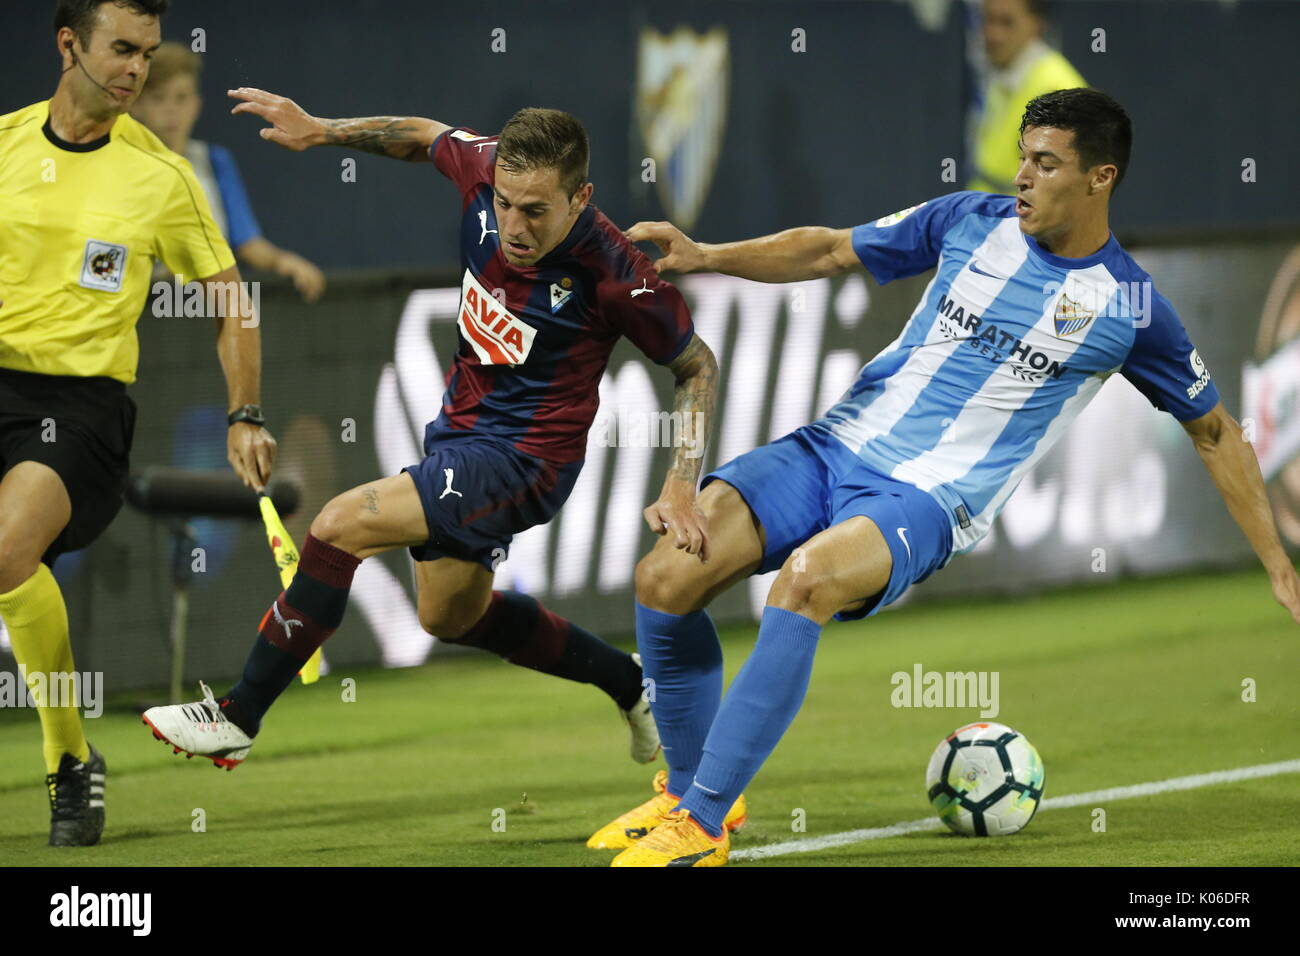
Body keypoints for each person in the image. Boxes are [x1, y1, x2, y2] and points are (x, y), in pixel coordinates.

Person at [597, 88, 1300, 866]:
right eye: (1024, 158)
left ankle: (699, 825)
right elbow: (831, 249)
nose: (1024, 177)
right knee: (665, 577)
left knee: (805, 581)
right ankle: (689, 795)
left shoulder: (1128, 304)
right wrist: (706, 255)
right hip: (834, 447)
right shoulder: (971, 218)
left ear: (1101, 178)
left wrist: (1277, 562)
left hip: (929, 500)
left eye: (1046, 163)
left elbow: (1215, 432)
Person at [141, 93, 720, 771]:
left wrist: (683, 482)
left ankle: (237, 717)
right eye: (504, 202)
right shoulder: (484, 168)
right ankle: (626, 681)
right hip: (458, 437)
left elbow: (696, 365)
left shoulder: (616, 272)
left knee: (337, 524)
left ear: (580, 196)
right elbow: (421, 134)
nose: (513, 224)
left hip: (526, 461)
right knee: (448, 617)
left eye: (535, 210)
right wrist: (322, 129)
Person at [0, 0, 276, 847]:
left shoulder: (161, 176)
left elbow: (232, 301)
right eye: (121, 49)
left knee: (8, 548)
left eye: (148, 54)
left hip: (77, 409)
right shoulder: (6, 145)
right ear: (68, 43)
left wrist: (244, 414)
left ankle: (66, 760)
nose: (135, 71)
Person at [130, 42, 326, 301]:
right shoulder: (125, 164)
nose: (171, 110)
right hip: (143, 307)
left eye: (181, 98)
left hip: (205, 307)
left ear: (196, 105)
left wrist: (283, 261)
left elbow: (247, 242)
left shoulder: (215, 161)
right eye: (158, 98)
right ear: (136, 105)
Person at [968, 0, 1085, 194]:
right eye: (988, 20)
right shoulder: (1004, 70)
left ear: (1036, 25)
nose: (993, 34)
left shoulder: (1058, 90)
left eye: (1007, 22)